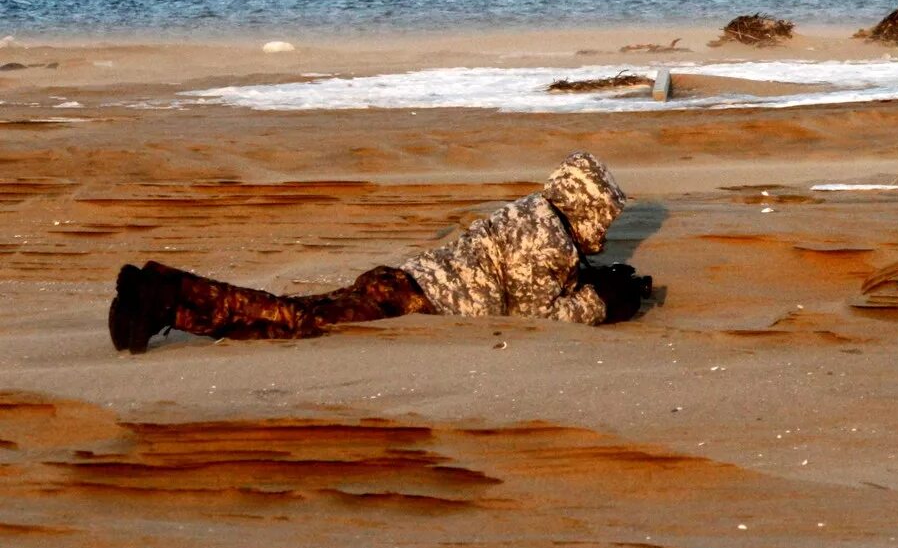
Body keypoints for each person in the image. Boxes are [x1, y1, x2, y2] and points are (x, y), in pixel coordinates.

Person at [106, 152, 652, 353]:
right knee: (294, 318)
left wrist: (593, 280)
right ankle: (165, 290)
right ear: (590, 204)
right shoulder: (549, 237)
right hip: (413, 303)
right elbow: (536, 319)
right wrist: (604, 304)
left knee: (289, 321)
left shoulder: (536, 211)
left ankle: (167, 305)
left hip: (403, 283)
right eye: (608, 212)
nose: (608, 221)